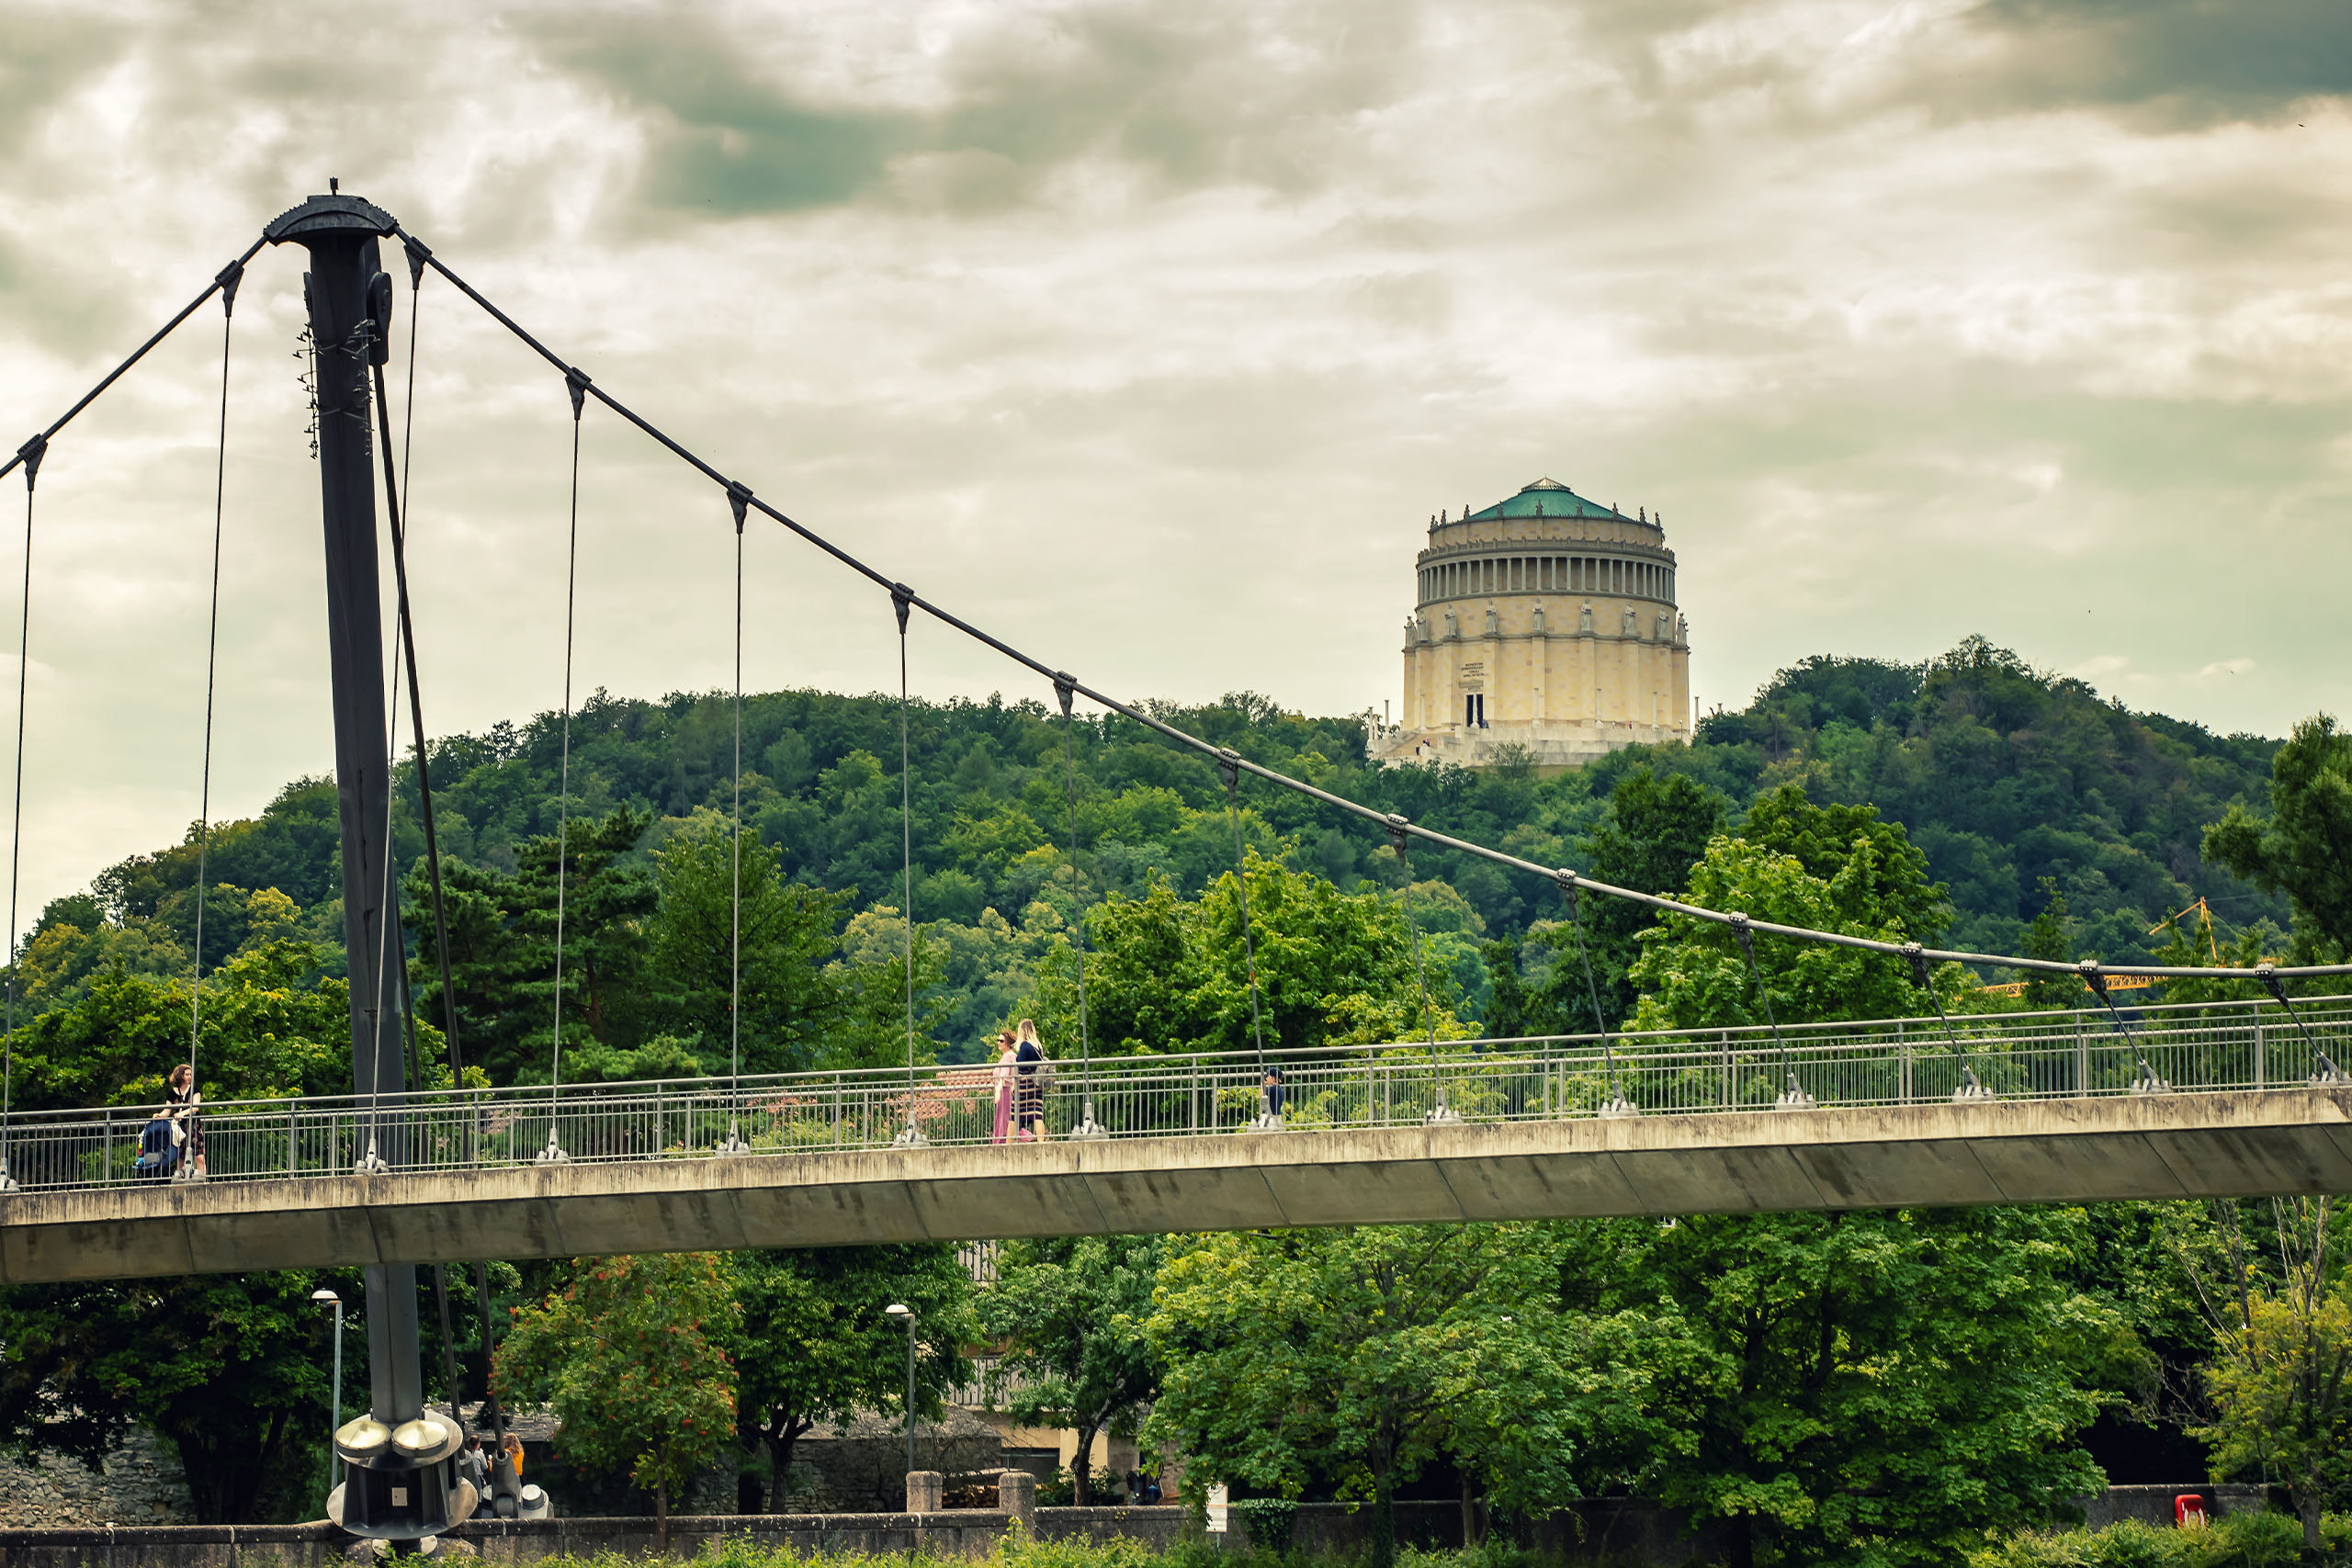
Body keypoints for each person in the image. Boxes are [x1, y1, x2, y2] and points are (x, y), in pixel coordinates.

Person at [165, 1064, 206, 1179]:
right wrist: (159, 1115)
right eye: (187, 1074)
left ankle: (202, 1180)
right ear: (181, 1076)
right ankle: (182, 1180)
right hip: (180, 1127)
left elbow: (195, 1107)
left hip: (194, 1125)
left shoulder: (194, 1090)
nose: (190, 1077)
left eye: (190, 1074)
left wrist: (182, 1113)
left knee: (199, 1156)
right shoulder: (172, 1093)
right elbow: (167, 1110)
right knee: (181, 1157)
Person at [1014, 1019, 1049, 1142]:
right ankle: (1041, 1142)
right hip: (1037, 1084)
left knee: (1013, 1114)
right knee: (1037, 1113)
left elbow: (1021, 1065)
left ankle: (1008, 1144)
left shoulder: (1024, 1046)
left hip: (1025, 1083)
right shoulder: (1038, 1046)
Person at [989, 1032, 1018, 1145]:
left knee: (1003, 1117)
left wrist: (998, 1090)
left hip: (1005, 1090)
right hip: (1006, 1090)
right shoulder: (1010, 1055)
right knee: (1004, 1116)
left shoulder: (1008, 1056)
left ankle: (1002, 1140)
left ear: (1008, 1043)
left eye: (1001, 1041)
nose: (998, 1043)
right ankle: (1004, 1139)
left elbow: (1004, 1076)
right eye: (998, 1040)